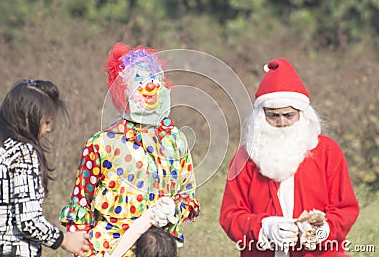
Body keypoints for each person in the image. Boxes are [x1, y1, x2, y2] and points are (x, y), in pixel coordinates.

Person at [60, 42, 200, 257]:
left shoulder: (175, 141)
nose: (150, 87)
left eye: (154, 79)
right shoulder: (101, 144)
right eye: (140, 82)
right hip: (107, 250)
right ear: (122, 91)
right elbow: (81, 204)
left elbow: (188, 199)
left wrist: (173, 208)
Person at [219, 58, 359, 257]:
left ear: (302, 114)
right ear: (261, 116)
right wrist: (264, 227)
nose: (282, 122)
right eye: (273, 116)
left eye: (288, 115)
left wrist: (324, 229)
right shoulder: (244, 158)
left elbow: (345, 208)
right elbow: (230, 216)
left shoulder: (328, 151)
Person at [0, 79, 90, 257]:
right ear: (27, 118)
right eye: (46, 122)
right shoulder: (24, 153)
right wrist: (65, 240)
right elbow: (28, 221)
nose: (49, 129)